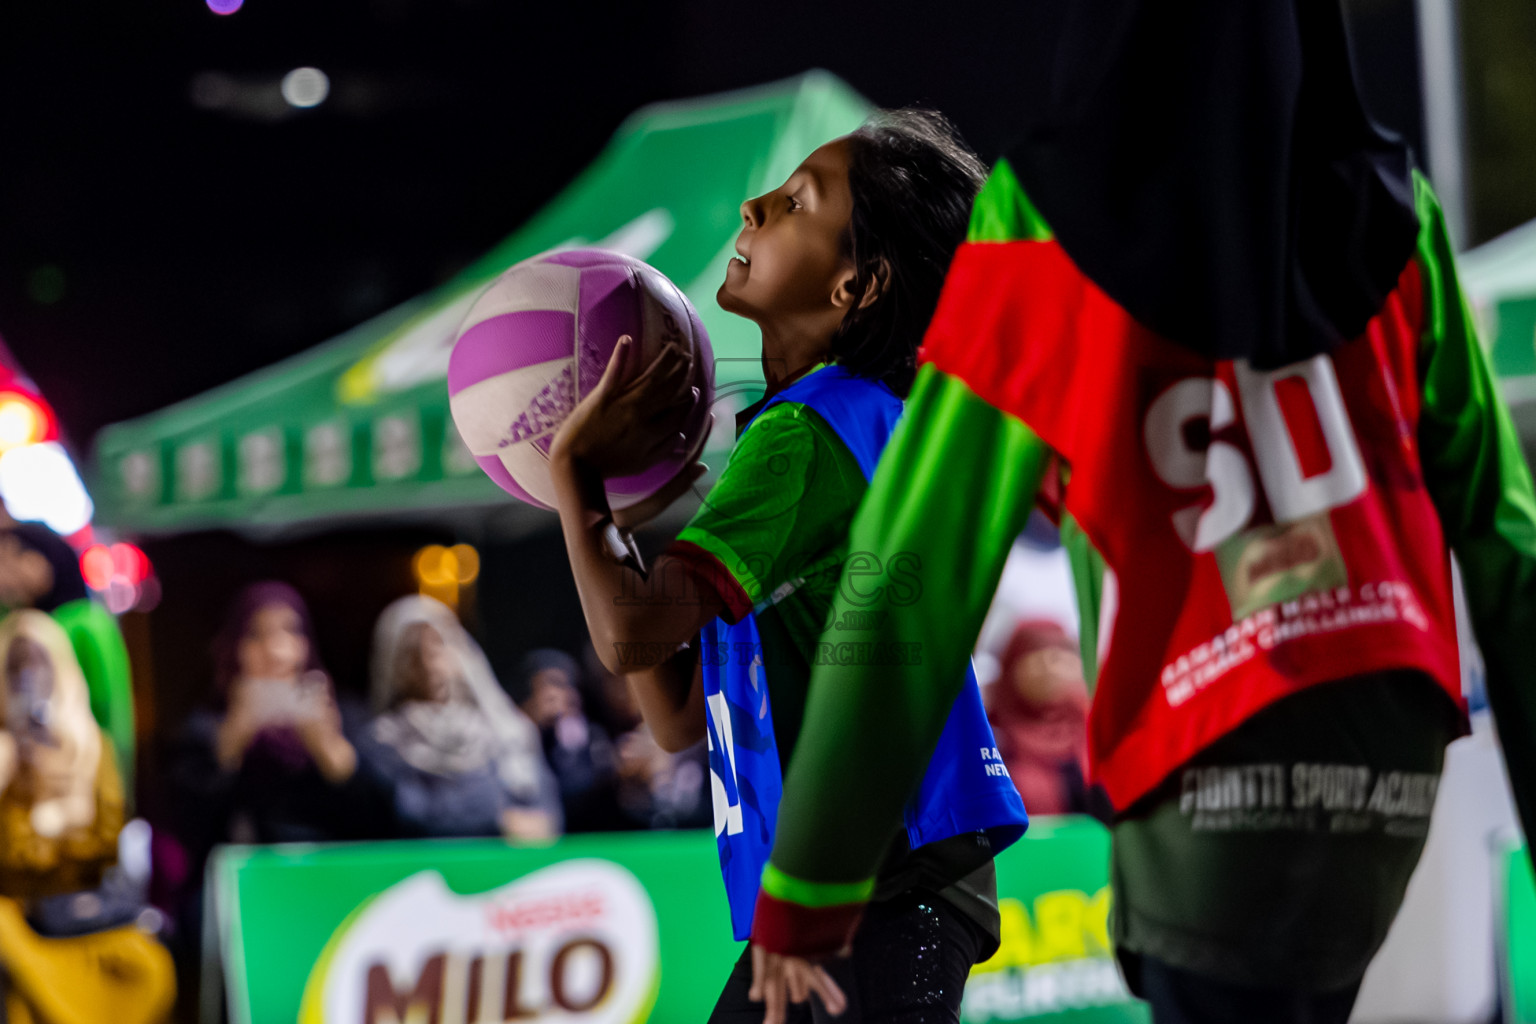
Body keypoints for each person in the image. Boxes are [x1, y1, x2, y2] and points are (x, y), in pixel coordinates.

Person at [740, 4, 1536, 1023]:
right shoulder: (1398, 208)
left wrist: (810, 880)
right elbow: (1509, 551)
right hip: (1388, 756)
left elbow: (914, 567)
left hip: (1201, 744)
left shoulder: (1046, 215)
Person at [548, 109, 1030, 1023]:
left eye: (794, 202)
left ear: (858, 282)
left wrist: (572, 477)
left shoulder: (808, 432)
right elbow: (681, 715)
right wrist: (611, 531)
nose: (752, 204)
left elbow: (627, 635)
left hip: (886, 888)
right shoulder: (843, 421)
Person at [0, 610, 175, 1024]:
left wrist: (57, 811)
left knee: (150, 968)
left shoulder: (92, 748)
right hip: (15, 917)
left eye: (37, 659)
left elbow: (106, 843)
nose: (28, 673)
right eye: (16, 663)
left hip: (85, 914)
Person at [168, 582, 366, 866]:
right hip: (244, 887)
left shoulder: (345, 718)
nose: (275, 650)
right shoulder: (204, 728)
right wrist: (228, 747)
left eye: (290, 631)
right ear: (235, 645)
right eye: (256, 635)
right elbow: (187, 834)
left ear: (306, 641)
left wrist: (332, 752)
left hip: (328, 884)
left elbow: (380, 826)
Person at [355, 595, 559, 840]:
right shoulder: (384, 741)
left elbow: (546, 815)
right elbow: (415, 816)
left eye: (438, 645)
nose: (429, 665)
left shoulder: (506, 729)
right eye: (412, 653)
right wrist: (498, 821)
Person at [986, 620, 1096, 819]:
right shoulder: (990, 739)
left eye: (1057, 658)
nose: (1049, 669)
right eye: (1035, 658)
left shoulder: (1096, 729)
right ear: (1011, 670)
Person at [519, 648, 622, 832]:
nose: (561, 696)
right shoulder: (518, 736)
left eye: (569, 685)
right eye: (551, 685)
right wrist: (534, 728)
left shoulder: (594, 736)